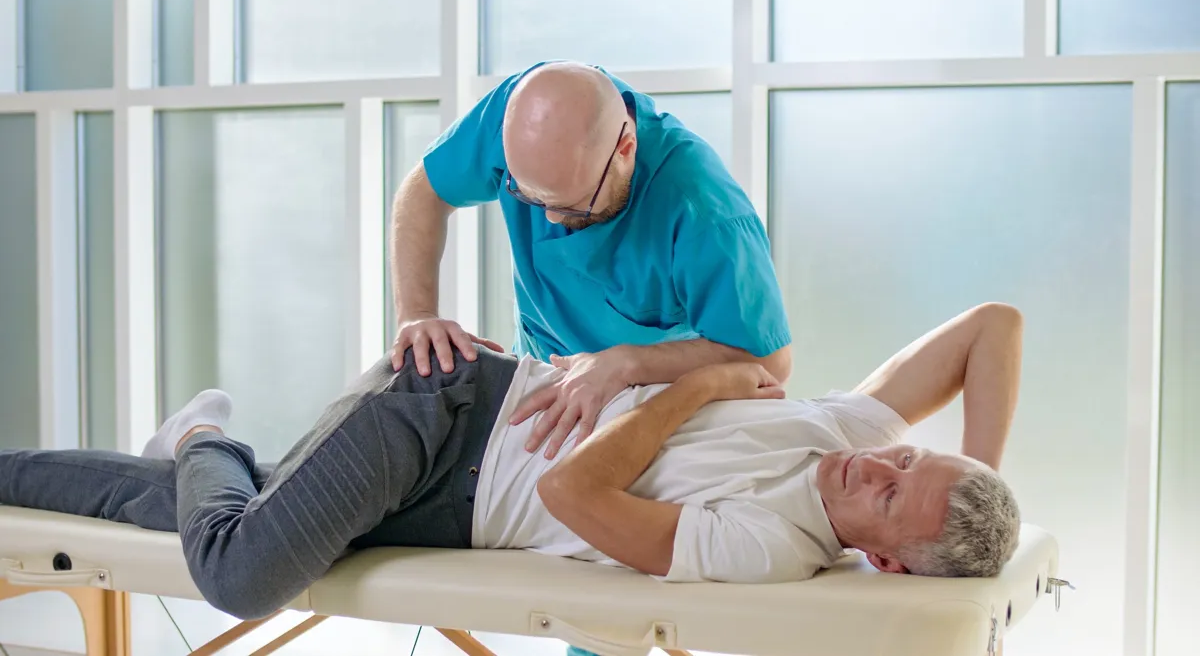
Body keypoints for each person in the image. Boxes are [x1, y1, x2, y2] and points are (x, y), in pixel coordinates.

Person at [0, 302, 1023, 622]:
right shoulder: (848, 435)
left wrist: (701, 388)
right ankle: (206, 440)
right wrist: (974, 474)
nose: (875, 467)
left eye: (892, 496)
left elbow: (575, 491)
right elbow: (992, 325)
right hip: (449, 415)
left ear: (883, 561)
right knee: (239, 571)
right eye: (905, 459)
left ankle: (194, 448)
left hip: (460, 501)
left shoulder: (772, 545)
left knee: (166, 516)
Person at [389, 59, 793, 462]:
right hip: (539, 375)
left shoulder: (705, 213)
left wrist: (624, 364)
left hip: (652, 408)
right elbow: (425, 190)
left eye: (570, 206)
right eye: (528, 195)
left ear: (626, 149)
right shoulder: (526, 110)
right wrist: (417, 313)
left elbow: (769, 361)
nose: (547, 218)